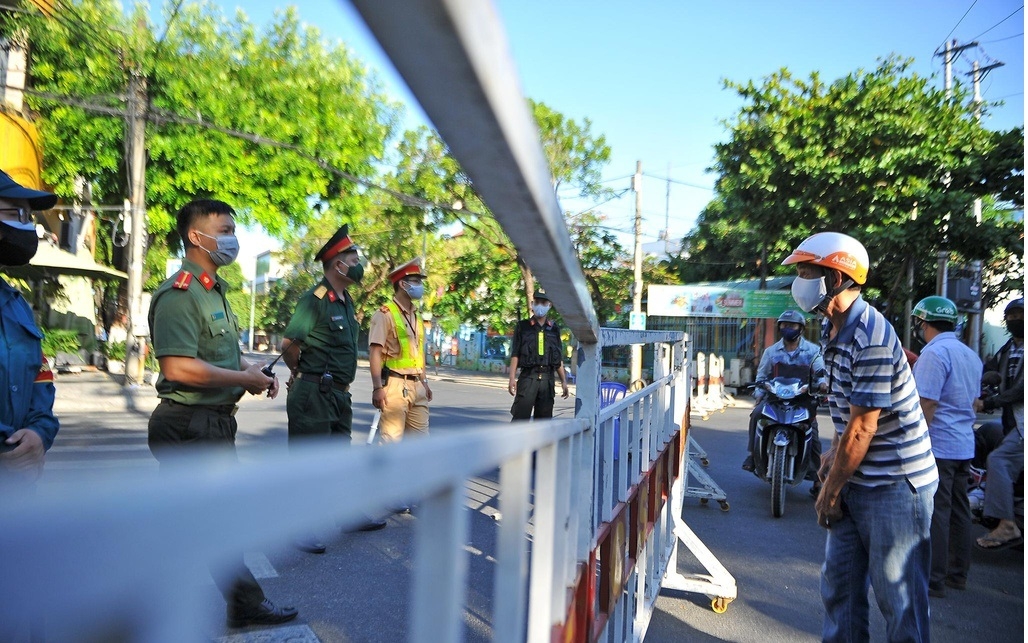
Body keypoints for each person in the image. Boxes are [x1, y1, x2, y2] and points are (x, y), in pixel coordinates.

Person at [146, 199, 296, 629]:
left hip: (209, 423)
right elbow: (177, 367)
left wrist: (250, 374)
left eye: (233, 230)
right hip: (191, 424)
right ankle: (242, 604)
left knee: (189, 522)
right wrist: (241, 378)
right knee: (215, 521)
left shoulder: (214, 292)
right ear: (196, 237)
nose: (233, 239)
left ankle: (147, 605)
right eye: (225, 230)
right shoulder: (181, 293)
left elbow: (219, 358)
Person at [782, 231, 937, 643]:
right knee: (840, 589)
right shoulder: (831, 329)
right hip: (857, 478)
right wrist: (833, 456)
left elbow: (863, 427)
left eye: (805, 272)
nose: (798, 282)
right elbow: (846, 414)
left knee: (900, 602)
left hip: (896, 486)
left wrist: (829, 491)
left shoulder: (871, 336)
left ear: (836, 277)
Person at [280, 225, 384, 551]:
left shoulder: (345, 301)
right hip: (315, 392)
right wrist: (301, 373)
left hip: (339, 393)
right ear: (337, 264)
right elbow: (288, 344)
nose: (358, 264)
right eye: (352, 259)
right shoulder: (315, 300)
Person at [909, 295, 982, 597]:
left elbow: (927, 403)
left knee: (937, 510)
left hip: (939, 445)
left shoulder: (934, 354)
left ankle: (934, 578)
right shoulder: (970, 355)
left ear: (924, 323)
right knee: (959, 510)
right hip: (963, 443)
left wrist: (914, 442)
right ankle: (957, 574)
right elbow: (975, 402)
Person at [0, 170, 59, 485]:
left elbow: (39, 377)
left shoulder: (16, 304)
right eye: (16, 214)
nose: (27, 225)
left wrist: (38, 434)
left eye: (28, 216)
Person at [742, 309, 827, 496]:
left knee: (813, 434)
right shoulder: (771, 352)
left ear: (801, 328)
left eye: (792, 325)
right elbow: (761, 376)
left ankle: (817, 480)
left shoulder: (813, 351)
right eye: (784, 325)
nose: (788, 328)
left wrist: (822, 383)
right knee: (756, 415)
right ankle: (753, 456)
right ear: (779, 327)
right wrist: (758, 393)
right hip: (774, 398)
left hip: (803, 400)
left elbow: (821, 373)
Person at [974, 296, 1024, 551]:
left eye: (1020, 315)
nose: (1016, 320)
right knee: (986, 435)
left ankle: (1007, 524)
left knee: (999, 460)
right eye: (1012, 316)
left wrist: (988, 403)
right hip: (1012, 422)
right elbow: (987, 370)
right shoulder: (1008, 349)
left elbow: (1020, 390)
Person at [368, 258, 432, 443]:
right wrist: (377, 388)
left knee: (420, 445)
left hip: (417, 386)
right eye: (416, 281)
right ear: (403, 284)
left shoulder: (417, 316)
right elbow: (375, 352)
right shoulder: (384, 314)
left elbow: (419, 353)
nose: (420, 286)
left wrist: (424, 382)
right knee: (391, 444)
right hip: (394, 386)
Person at [508, 291, 569, 421]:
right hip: (528, 378)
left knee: (543, 423)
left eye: (543, 303)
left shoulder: (554, 329)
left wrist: (563, 381)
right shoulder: (523, 326)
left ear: (549, 305)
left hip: (547, 379)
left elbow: (558, 358)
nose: (540, 305)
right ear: (532, 304)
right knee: (520, 420)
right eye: (537, 302)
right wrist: (512, 378)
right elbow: (515, 354)